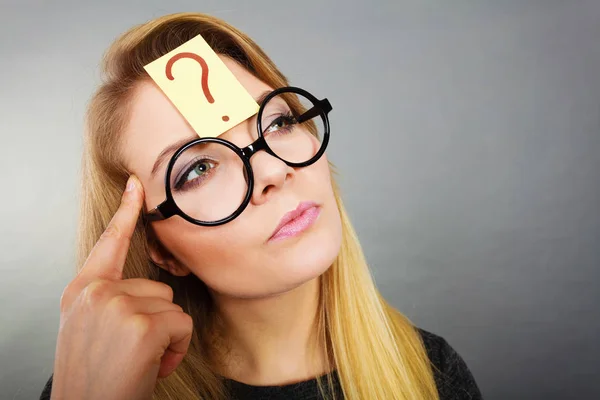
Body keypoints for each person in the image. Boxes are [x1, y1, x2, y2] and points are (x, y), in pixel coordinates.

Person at [39, 12, 483, 400]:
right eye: (198, 169)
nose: (272, 172)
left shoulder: (433, 375)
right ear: (160, 249)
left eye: (278, 122)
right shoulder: (93, 388)